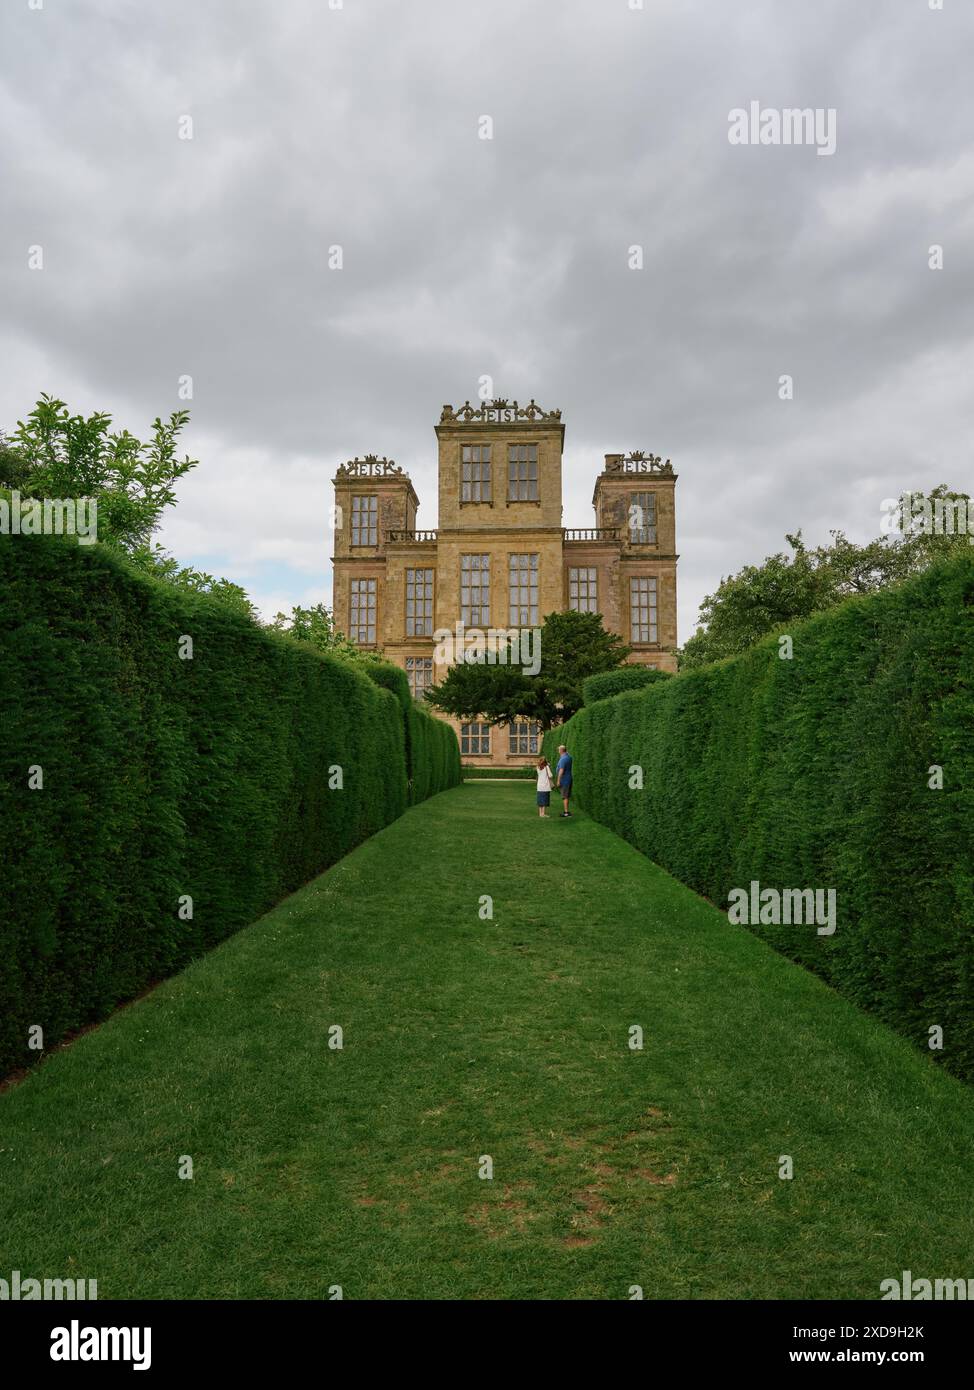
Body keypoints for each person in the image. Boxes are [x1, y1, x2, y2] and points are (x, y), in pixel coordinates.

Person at [555, 744, 573, 817]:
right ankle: (567, 811)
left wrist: (558, 780)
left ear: (561, 751)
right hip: (568, 779)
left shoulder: (563, 759)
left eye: (559, 750)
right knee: (566, 796)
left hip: (564, 780)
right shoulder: (568, 757)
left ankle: (566, 813)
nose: (558, 751)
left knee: (565, 796)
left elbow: (561, 770)